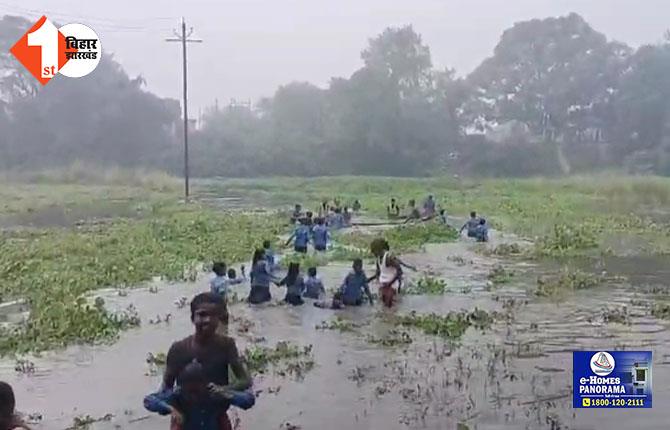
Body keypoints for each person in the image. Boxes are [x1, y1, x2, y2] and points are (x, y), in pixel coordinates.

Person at [161, 293, 252, 430]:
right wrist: (169, 406)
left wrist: (224, 390)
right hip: (185, 418)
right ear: (193, 318)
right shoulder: (179, 349)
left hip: (216, 416)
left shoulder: (226, 345)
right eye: (202, 315)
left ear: (219, 319)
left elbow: (244, 380)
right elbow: (166, 388)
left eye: (214, 315)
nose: (208, 320)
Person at [145, 360, 254, 430]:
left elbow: (248, 401)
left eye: (196, 391)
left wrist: (227, 394)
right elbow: (149, 401)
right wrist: (171, 409)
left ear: (204, 384)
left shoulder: (215, 393)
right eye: (190, 391)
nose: (193, 396)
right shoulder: (178, 394)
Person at [369, 239, 416, 307]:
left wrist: (390, 283)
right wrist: (368, 280)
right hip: (385, 284)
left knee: (389, 306)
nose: (373, 253)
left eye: (374, 251)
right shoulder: (378, 259)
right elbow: (378, 273)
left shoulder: (389, 258)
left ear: (379, 249)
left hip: (392, 285)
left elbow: (400, 272)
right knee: (384, 305)